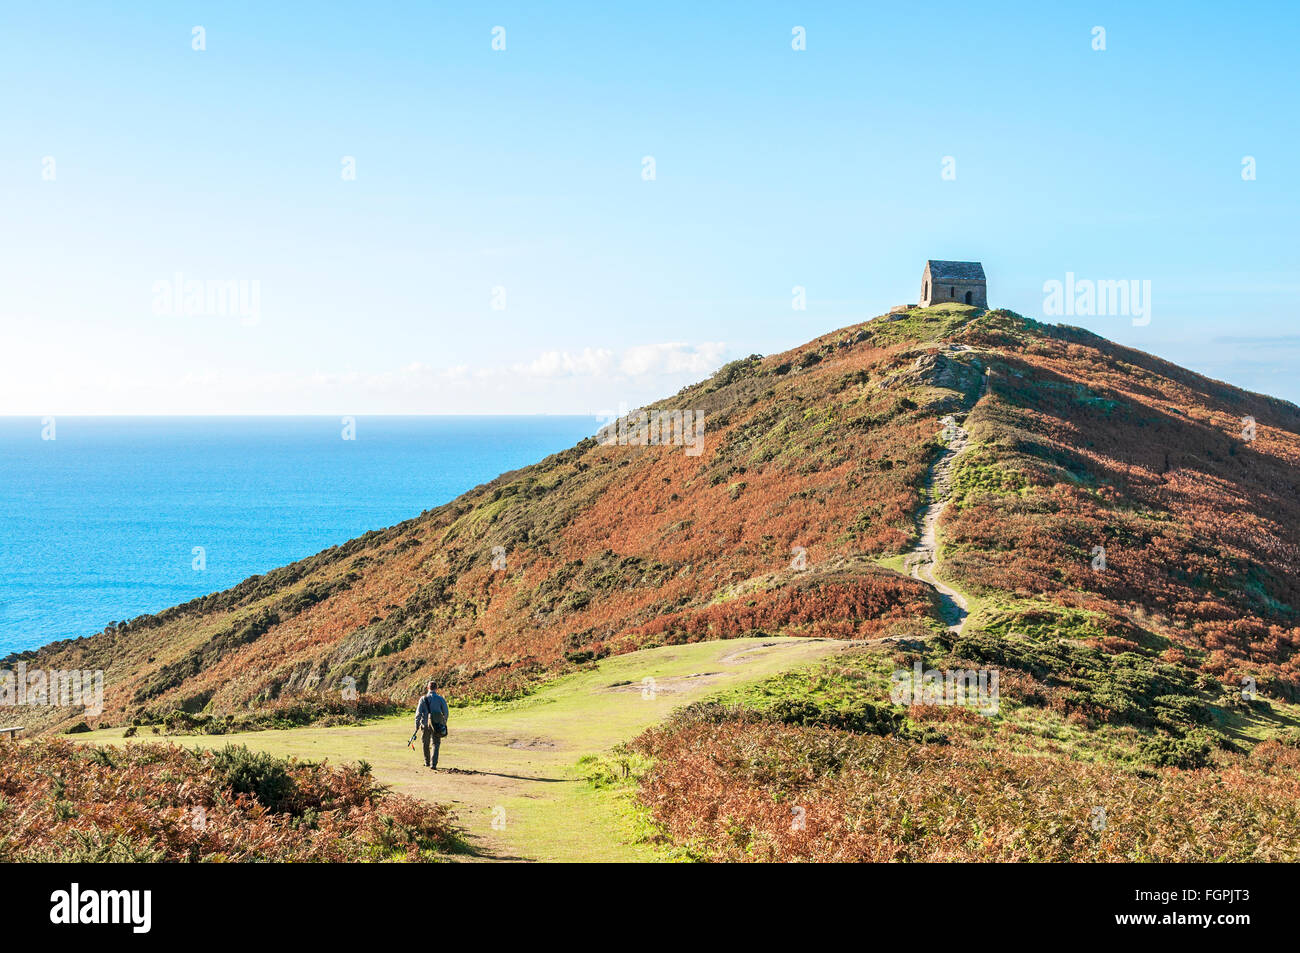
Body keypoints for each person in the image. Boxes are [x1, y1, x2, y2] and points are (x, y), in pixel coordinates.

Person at [415, 680, 449, 770]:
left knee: (425, 743)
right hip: (436, 725)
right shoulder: (440, 699)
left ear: (428, 688)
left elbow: (418, 714)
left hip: (425, 724)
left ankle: (427, 762)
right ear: (436, 688)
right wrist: (443, 722)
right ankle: (433, 764)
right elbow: (446, 712)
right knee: (436, 743)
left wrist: (417, 725)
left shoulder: (423, 699)